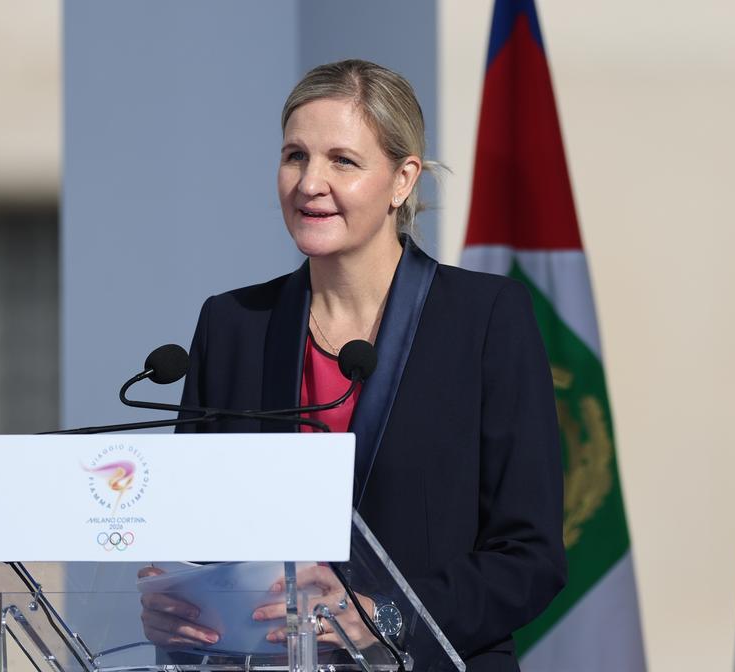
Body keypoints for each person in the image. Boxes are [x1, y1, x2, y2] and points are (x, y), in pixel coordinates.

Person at [140, 59, 566, 672]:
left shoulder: (486, 319)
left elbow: (530, 556)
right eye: (295, 156)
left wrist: (384, 618)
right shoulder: (232, 325)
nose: (310, 182)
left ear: (402, 180)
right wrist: (174, 605)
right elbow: (194, 538)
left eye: (342, 161)